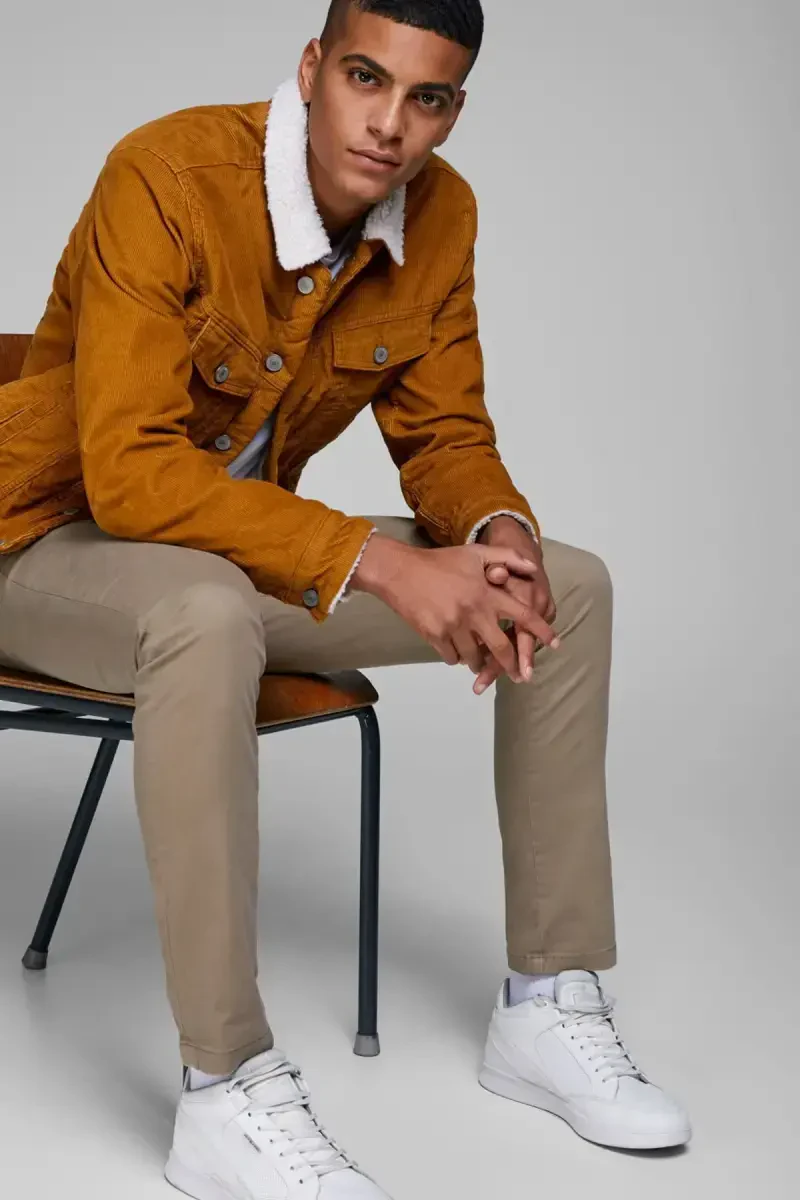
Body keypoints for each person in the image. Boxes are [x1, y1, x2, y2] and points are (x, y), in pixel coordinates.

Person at [0, 0, 692, 1194]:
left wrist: (496, 532)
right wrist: (382, 564)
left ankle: (545, 1001)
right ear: (313, 66)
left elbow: (445, 434)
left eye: (426, 99)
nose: (388, 125)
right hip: (41, 546)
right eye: (366, 79)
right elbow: (129, 472)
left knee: (563, 586)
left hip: (234, 556)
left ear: (453, 111)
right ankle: (223, 1087)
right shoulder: (166, 175)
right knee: (203, 616)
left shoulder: (439, 214)